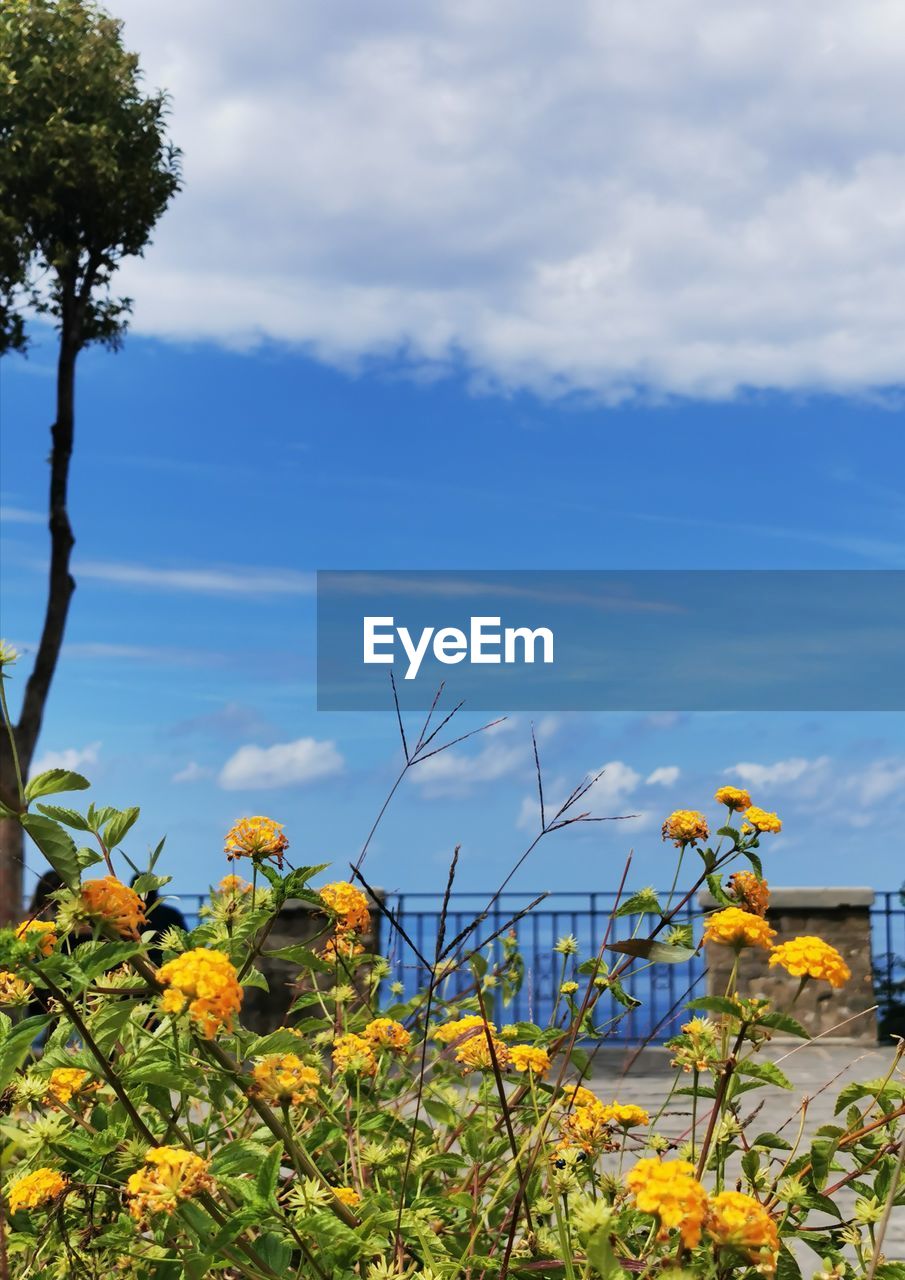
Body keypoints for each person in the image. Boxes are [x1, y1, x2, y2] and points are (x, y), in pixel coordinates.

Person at [132, 879, 188, 967]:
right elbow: (185, 941)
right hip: (166, 963)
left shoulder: (171, 914)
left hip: (164, 962)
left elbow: (184, 941)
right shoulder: (171, 913)